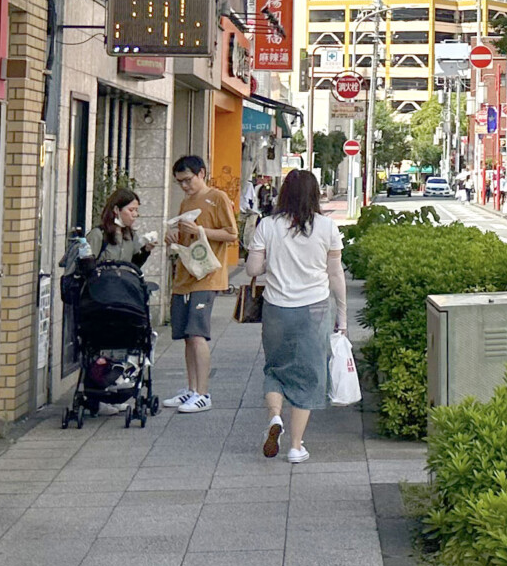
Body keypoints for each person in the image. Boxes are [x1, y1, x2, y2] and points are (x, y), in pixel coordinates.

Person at [245, 168, 347, 463]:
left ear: (284, 193)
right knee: (308, 374)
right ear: (315, 195)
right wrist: (342, 316)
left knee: (275, 368)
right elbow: (335, 274)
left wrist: (273, 261)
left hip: (276, 309)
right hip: (314, 309)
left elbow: (252, 269)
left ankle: (275, 417)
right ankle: (296, 446)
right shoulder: (327, 227)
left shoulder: (267, 225)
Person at [163, 154, 237, 414]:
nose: (184, 186)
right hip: (185, 275)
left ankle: (203, 393)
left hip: (207, 276)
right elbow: (185, 238)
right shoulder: (186, 203)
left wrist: (200, 231)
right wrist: (172, 236)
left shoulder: (217, 197)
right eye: (180, 182)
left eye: (188, 180)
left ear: (201, 173)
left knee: (197, 334)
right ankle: (192, 388)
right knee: (186, 336)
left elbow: (231, 233)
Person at [90, 189, 154, 267]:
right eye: (131, 210)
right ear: (116, 210)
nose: (135, 214)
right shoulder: (98, 234)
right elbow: (86, 266)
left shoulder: (131, 235)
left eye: (136, 210)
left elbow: (134, 265)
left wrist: (146, 250)